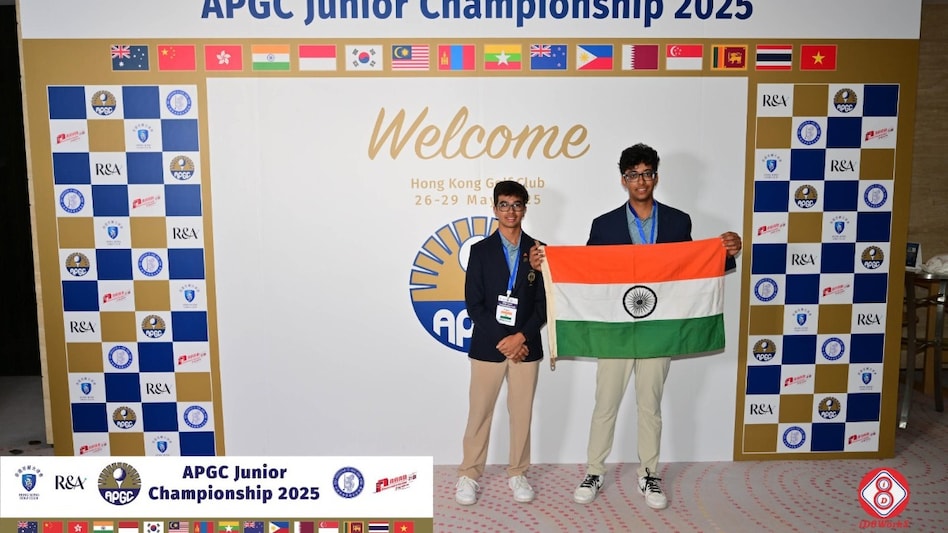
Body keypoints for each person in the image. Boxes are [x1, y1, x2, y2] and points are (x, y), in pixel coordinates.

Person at [530, 143, 742, 510]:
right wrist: (545, 265)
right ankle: (594, 471)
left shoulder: (678, 221)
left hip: (657, 331)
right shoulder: (605, 224)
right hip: (615, 333)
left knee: (650, 406)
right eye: (633, 175)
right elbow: (587, 275)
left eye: (646, 173)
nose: (640, 181)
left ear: (655, 177)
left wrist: (725, 254)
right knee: (605, 405)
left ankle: (650, 474)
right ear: (623, 180)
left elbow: (690, 271)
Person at [455, 180, 547, 506]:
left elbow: (544, 305)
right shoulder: (479, 251)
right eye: (504, 205)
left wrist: (520, 337)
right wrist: (504, 340)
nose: (511, 211)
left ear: (525, 208)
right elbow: (474, 304)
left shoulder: (538, 251)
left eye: (517, 204)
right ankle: (469, 474)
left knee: (521, 413)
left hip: (526, 346)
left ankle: (518, 472)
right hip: (488, 347)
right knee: (479, 412)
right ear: (495, 209)